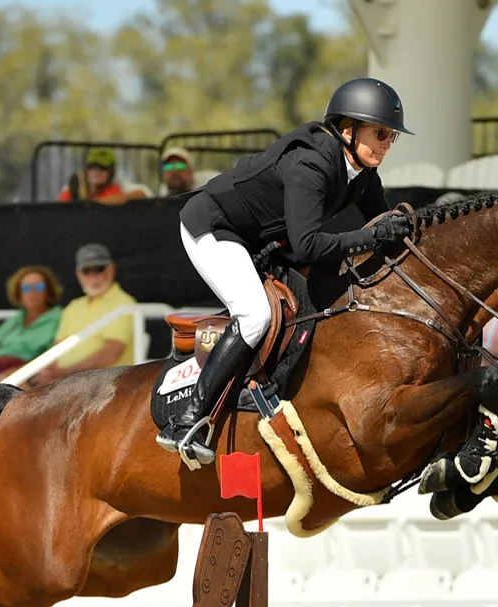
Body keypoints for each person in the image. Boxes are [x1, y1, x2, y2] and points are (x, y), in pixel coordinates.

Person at [156, 76, 414, 462]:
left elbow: (383, 220)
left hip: (261, 243)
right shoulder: (311, 163)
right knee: (255, 314)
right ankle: (190, 418)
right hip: (213, 227)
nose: (386, 144)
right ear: (348, 129)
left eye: (391, 137)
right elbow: (309, 244)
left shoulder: (361, 172)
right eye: (379, 133)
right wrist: (372, 237)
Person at [26, 245, 137, 388]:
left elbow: (110, 354)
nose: (93, 276)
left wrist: (63, 374)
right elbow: (56, 351)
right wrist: (45, 373)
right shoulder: (74, 306)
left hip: (105, 386)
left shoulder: (123, 304)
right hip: (66, 383)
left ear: (111, 269)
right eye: (86, 271)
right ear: (79, 274)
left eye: (99, 269)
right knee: (11, 385)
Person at [0, 266, 64, 376]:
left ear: (48, 291)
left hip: (26, 374)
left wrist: (22, 370)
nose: (32, 292)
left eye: (39, 287)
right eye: (26, 288)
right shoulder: (11, 323)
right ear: (19, 293)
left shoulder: (61, 319)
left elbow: (55, 356)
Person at [57, 147, 147, 205]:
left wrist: (86, 204)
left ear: (110, 173)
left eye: (103, 168)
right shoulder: (71, 192)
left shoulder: (112, 190)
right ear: (86, 170)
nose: (97, 172)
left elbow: (140, 193)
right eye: (93, 167)